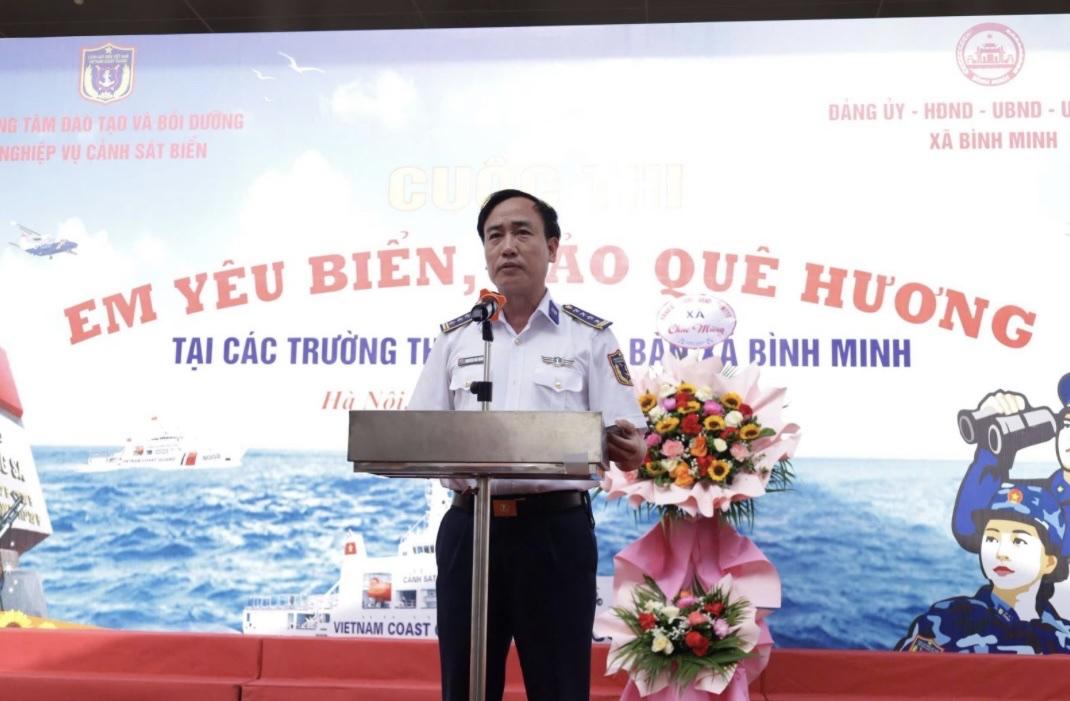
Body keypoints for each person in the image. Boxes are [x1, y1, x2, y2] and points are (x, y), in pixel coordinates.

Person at [408, 189, 647, 701]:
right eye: (494, 236)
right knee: (465, 688)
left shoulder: (589, 337)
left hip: (553, 533)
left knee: (560, 687)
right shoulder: (456, 339)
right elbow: (416, 433)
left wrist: (633, 449)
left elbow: (629, 434)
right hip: (470, 532)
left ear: (553, 246)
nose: (507, 246)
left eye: (521, 232)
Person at [898, 482, 1070, 654]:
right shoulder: (947, 620)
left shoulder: (1064, 636)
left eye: (1018, 541)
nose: (1001, 553)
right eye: (991, 539)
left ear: (1049, 562)